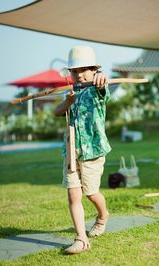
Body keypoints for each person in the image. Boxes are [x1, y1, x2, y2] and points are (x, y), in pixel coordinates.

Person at [55, 46, 111, 254]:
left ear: (94, 71)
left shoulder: (98, 88)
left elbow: (104, 89)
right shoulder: (70, 92)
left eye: (85, 69)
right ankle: (81, 238)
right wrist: (68, 101)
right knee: (73, 195)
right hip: (71, 151)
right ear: (70, 73)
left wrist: (101, 81)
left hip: (93, 152)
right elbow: (57, 112)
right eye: (75, 70)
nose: (79, 74)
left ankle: (103, 216)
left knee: (91, 192)